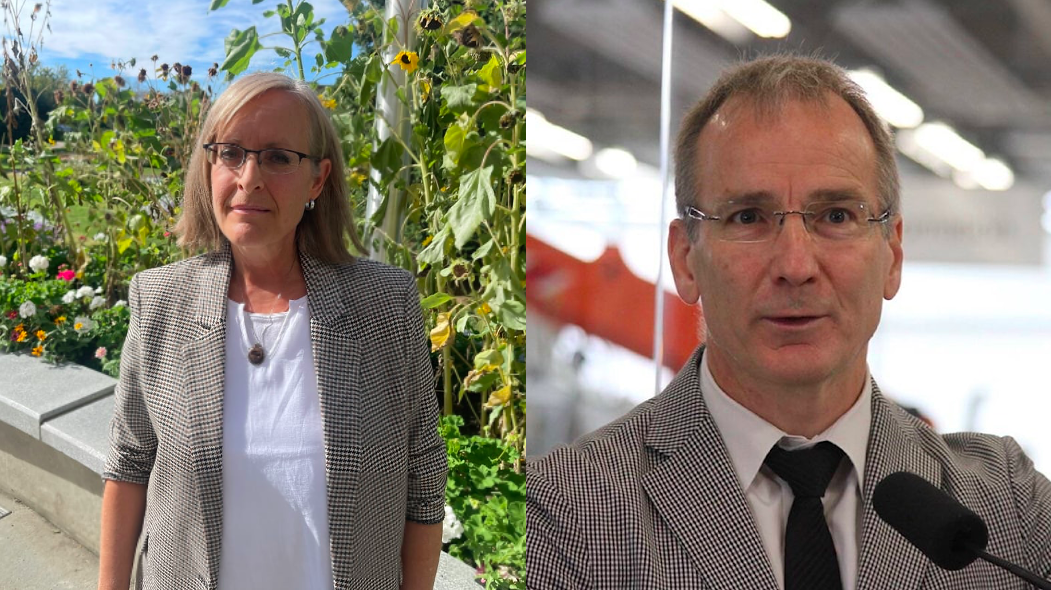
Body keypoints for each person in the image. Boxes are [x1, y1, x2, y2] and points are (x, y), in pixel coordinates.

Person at [526, 55, 1051, 589]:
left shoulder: (1008, 506)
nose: (796, 267)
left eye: (836, 217)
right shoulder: (563, 515)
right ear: (686, 260)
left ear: (892, 256)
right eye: (748, 218)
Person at [98, 72, 447, 590]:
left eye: (279, 157)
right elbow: (129, 465)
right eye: (231, 152)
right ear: (208, 166)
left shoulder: (385, 306)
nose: (249, 178)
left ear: (318, 179)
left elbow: (423, 479)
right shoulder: (161, 302)